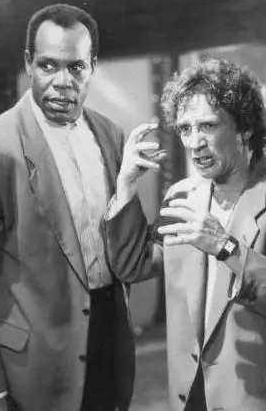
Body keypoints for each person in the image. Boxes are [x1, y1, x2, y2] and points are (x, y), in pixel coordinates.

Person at [0, 3, 152, 411]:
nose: (62, 82)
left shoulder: (111, 134)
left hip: (109, 339)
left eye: (76, 67)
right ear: (28, 63)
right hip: (33, 361)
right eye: (48, 65)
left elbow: (125, 245)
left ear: (92, 67)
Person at [106, 57, 266, 411]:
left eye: (208, 125)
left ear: (244, 128)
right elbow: (133, 266)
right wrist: (126, 185)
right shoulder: (182, 196)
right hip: (191, 396)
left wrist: (226, 248)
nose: (194, 142)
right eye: (185, 128)